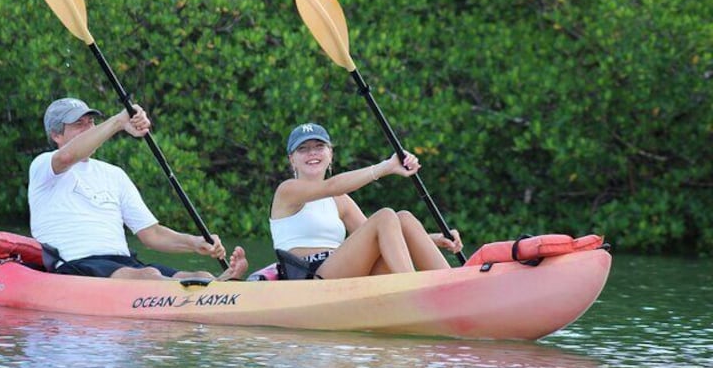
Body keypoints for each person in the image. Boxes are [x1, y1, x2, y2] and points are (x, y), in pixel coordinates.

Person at [29, 97, 247, 281]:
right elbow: (67, 156)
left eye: (91, 122)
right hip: (75, 265)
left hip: (123, 265)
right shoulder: (44, 165)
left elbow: (151, 234)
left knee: (201, 276)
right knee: (150, 276)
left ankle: (223, 287)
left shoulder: (114, 174)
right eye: (79, 124)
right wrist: (119, 121)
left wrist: (196, 242)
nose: (89, 128)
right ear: (56, 135)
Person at [269, 123, 463, 279]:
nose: (312, 153)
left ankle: (454, 284)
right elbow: (332, 186)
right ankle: (411, 289)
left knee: (403, 218)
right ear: (292, 160)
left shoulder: (340, 201)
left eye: (319, 147)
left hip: (344, 270)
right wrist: (386, 166)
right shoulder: (287, 191)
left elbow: (386, 236)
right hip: (308, 276)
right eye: (303, 149)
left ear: (330, 155)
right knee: (385, 215)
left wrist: (436, 239)